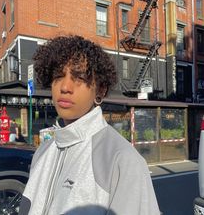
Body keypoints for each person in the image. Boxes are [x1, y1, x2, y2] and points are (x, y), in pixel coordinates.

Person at [19, 35, 160, 215]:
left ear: (100, 90)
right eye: (58, 75)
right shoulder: (42, 152)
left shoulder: (122, 160)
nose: (65, 87)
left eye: (79, 77)